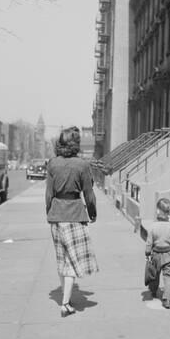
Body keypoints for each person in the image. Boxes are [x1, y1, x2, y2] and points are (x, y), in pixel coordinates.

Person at [46, 126, 99, 318]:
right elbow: (89, 193)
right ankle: (65, 304)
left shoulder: (52, 164)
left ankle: (64, 297)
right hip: (74, 214)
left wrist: (49, 212)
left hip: (56, 215)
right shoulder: (82, 165)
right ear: (75, 144)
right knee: (70, 262)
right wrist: (92, 212)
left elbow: (49, 193)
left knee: (62, 260)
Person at [145, 197, 170, 309]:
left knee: (155, 274)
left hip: (156, 254)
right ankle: (166, 299)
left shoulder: (152, 227)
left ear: (158, 211)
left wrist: (147, 253)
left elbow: (149, 243)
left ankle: (154, 291)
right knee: (168, 277)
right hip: (168, 254)